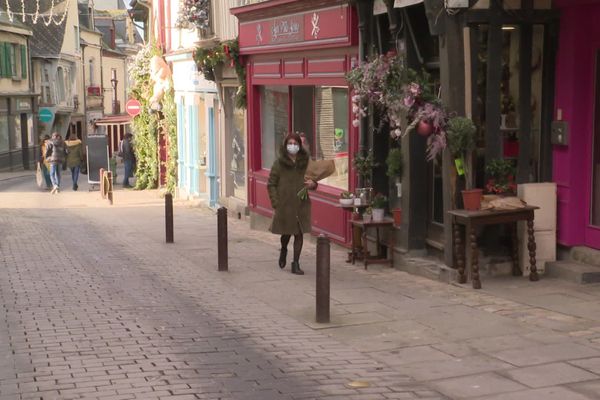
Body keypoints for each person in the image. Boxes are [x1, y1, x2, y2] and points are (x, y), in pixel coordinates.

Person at [267, 132, 317, 275]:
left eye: (295, 144)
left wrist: (313, 184)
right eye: (290, 143)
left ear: (299, 146)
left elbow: (313, 180)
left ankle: (296, 263)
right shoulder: (279, 163)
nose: (293, 146)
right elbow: (271, 184)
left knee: (299, 233)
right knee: (287, 233)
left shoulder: (305, 162)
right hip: (285, 204)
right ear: (286, 145)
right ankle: (283, 249)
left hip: (301, 204)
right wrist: (276, 203)